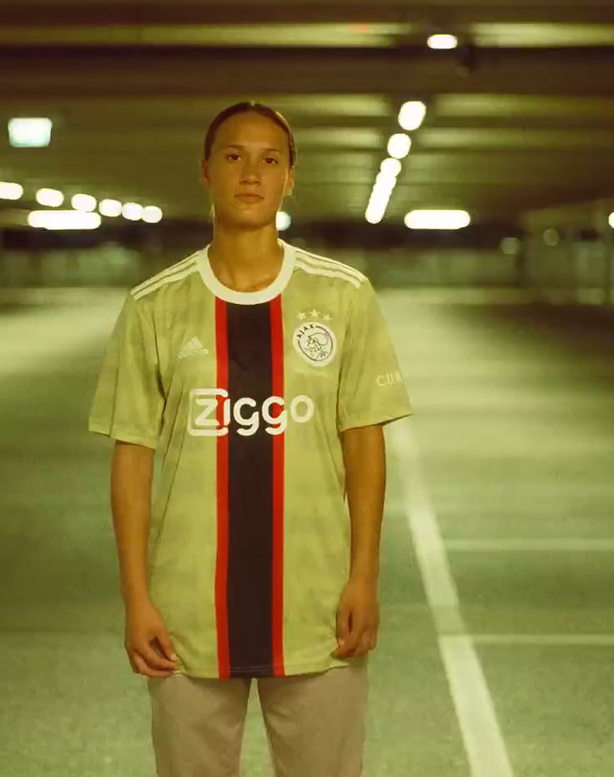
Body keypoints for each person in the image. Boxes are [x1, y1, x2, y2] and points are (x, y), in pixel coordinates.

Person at [88, 101, 414, 777]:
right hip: (187, 614)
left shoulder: (344, 295)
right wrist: (136, 595)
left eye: (270, 159)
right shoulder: (153, 305)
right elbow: (131, 458)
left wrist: (364, 575)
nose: (251, 173)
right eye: (234, 155)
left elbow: (364, 443)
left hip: (317, 604)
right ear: (205, 171)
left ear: (291, 177)